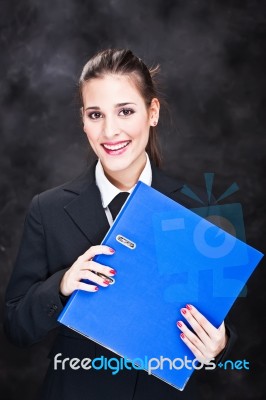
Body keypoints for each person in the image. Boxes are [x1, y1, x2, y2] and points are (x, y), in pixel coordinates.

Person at [4, 48, 236, 400]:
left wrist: (219, 347)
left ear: (152, 112)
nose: (110, 131)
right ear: (83, 120)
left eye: (125, 111)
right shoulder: (47, 209)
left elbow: (225, 325)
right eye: (95, 114)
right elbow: (16, 327)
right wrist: (62, 286)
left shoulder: (199, 208)